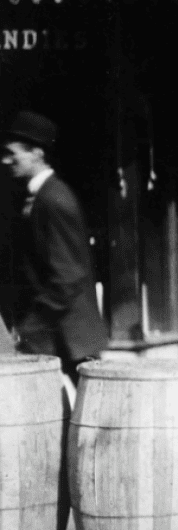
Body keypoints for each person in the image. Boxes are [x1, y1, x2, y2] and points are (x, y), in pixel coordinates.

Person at [4, 110, 108, 380]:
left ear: (36, 153)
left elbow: (68, 276)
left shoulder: (54, 200)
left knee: (89, 416)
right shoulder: (38, 197)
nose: (5, 160)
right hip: (59, 333)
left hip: (70, 335)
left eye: (12, 153)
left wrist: (31, 324)